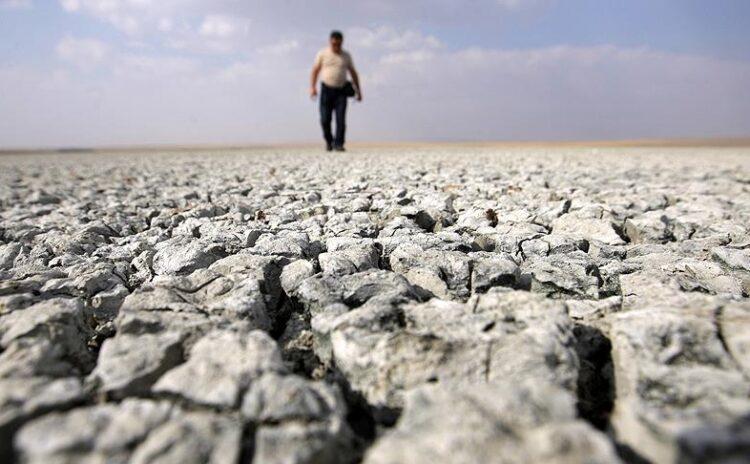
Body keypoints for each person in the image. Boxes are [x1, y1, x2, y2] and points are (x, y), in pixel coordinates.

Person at [310, 30, 362, 152]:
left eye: (339, 44)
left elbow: (353, 73)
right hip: (326, 90)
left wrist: (359, 91)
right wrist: (312, 87)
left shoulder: (346, 55)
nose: (336, 47)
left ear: (342, 43)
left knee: (341, 119)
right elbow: (315, 70)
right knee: (325, 119)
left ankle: (339, 144)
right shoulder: (322, 54)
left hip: (341, 91)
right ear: (330, 42)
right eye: (334, 44)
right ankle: (329, 141)